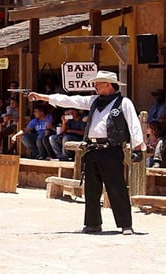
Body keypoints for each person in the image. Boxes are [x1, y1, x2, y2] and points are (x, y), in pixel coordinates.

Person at [28, 70, 145, 235]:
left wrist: (138, 148)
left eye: (98, 83)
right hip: (92, 149)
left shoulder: (124, 102)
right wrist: (43, 97)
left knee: (116, 187)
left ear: (108, 85)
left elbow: (134, 125)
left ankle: (126, 225)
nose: (95, 86)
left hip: (111, 149)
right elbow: (70, 100)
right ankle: (93, 224)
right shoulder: (94, 101)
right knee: (91, 189)